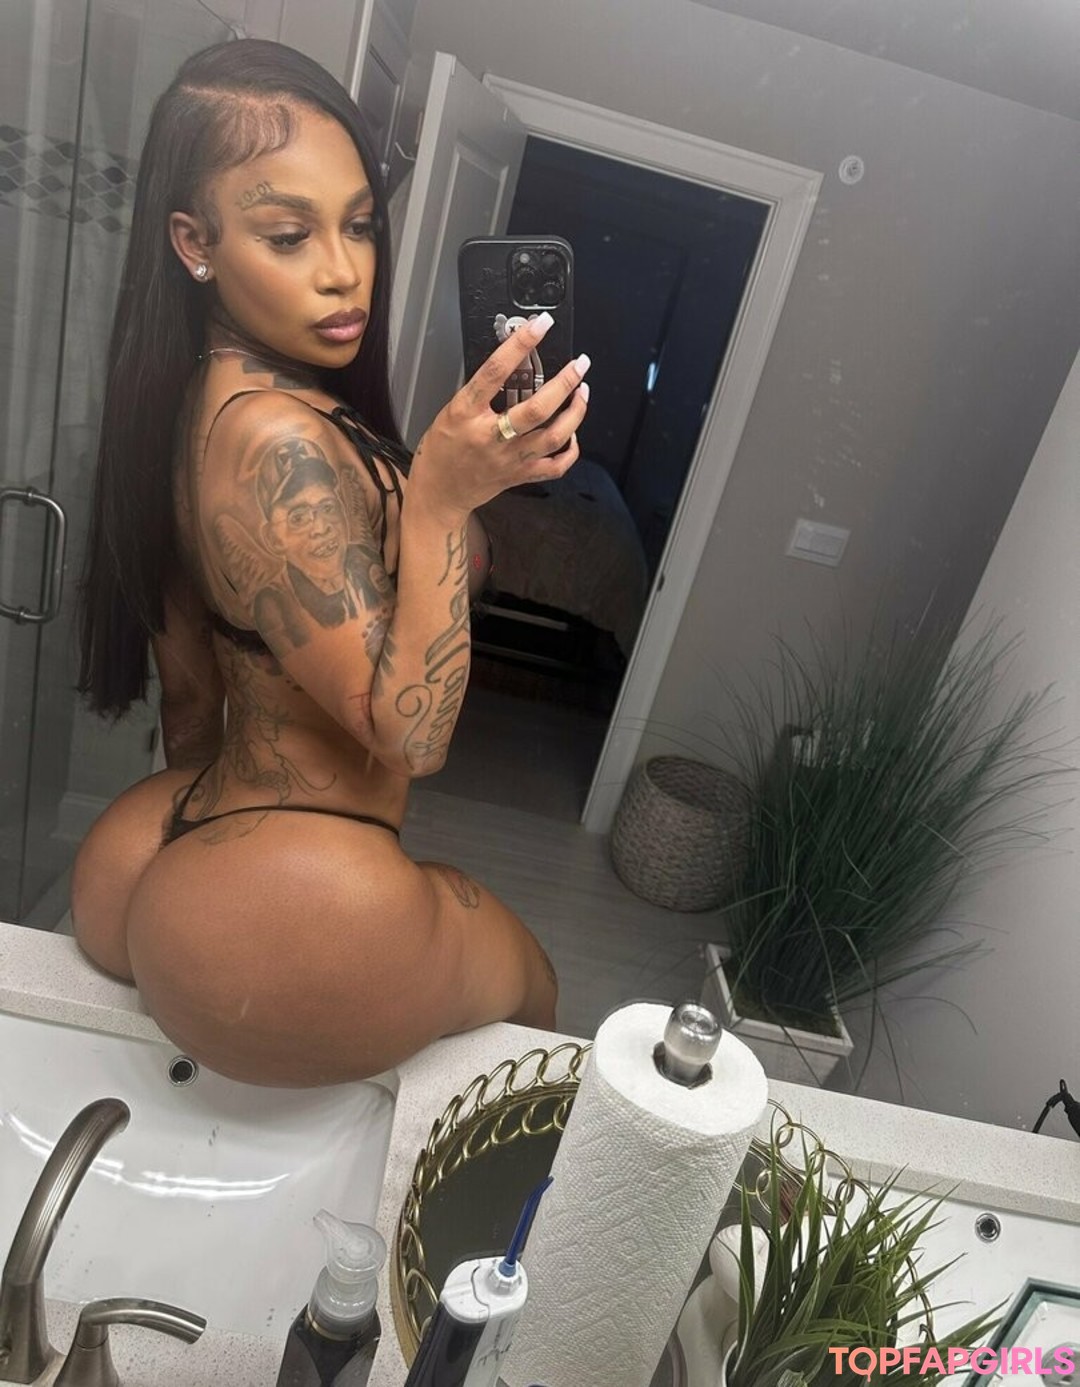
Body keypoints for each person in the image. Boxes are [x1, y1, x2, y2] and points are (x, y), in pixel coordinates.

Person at [71, 39, 590, 1087]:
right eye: (288, 234)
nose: (344, 269)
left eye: (358, 224)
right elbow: (412, 736)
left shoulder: (201, 400)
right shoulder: (278, 440)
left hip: (172, 832)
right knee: (541, 1004)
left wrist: (194, 868)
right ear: (194, 241)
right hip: (301, 884)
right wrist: (438, 501)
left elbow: (190, 686)